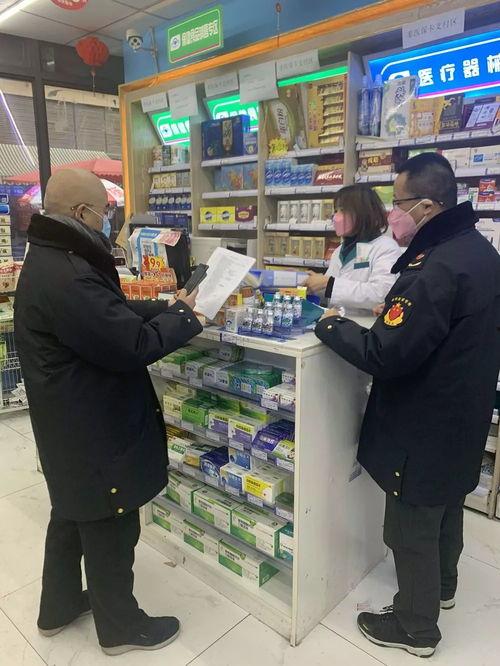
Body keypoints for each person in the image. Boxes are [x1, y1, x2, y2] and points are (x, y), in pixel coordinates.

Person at [314, 153, 500, 658]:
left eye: (398, 202)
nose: (392, 212)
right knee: (447, 505)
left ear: (427, 205)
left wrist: (331, 326)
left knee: (410, 522)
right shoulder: (477, 251)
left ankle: (415, 627)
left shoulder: (434, 267)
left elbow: (385, 353)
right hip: (463, 412)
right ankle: (443, 587)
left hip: (423, 421)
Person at [14, 169, 204, 656]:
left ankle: (58, 608)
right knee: (110, 523)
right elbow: (131, 345)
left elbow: (106, 315)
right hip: (92, 426)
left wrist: (168, 306)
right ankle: (120, 628)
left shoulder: (50, 255)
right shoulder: (72, 274)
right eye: (105, 212)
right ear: (81, 213)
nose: (109, 221)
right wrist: (188, 318)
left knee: (70, 513)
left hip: (66, 421)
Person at [304, 184, 401, 315]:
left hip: (366, 324)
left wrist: (328, 283)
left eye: (343, 210)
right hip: (337, 321)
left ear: (363, 213)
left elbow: (382, 293)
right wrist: (313, 285)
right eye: (336, 210)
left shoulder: (385, 247)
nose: (336, 216)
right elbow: (333, 292)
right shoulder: (340, 250)